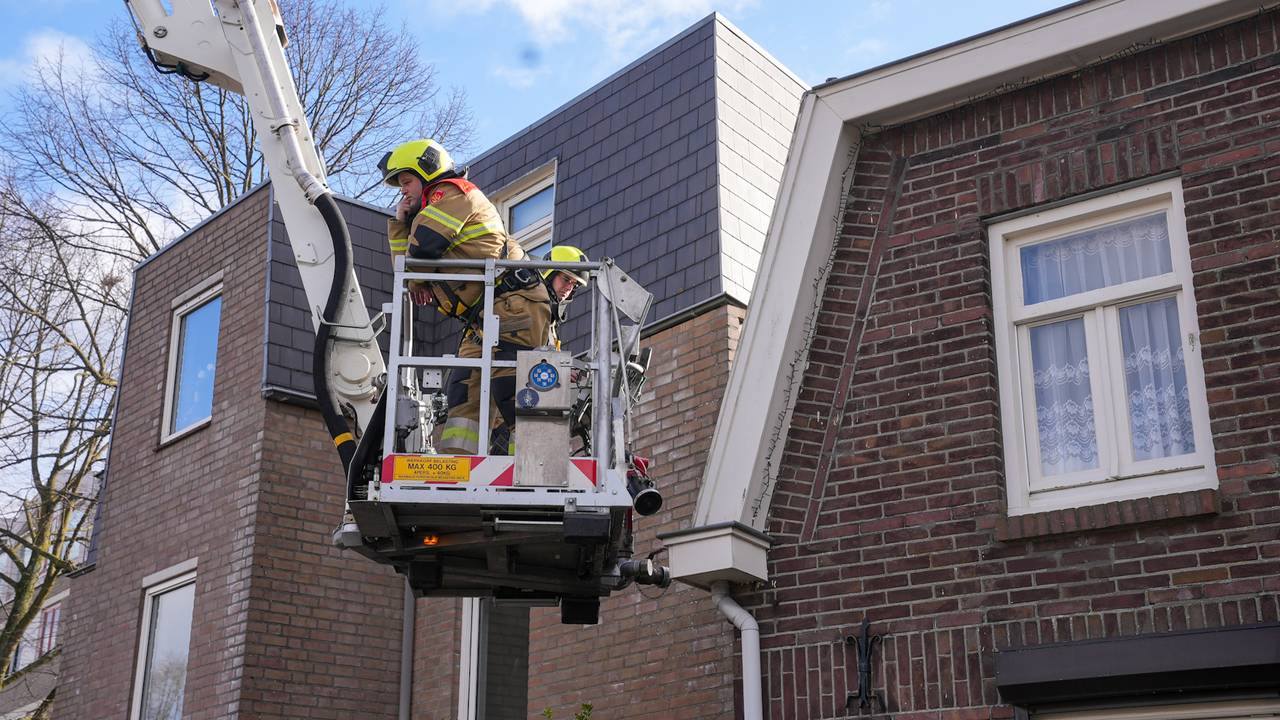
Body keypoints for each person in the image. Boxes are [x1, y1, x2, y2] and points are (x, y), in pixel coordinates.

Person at [379, 138, 551, 455]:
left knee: (510, 385)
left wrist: (417, 272)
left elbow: (423, 251)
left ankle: (536, 461)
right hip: (485, 316)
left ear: (427, 171)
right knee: (464, 389)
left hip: (515, 304)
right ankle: (458, 467)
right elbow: (407, 273)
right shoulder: (430, 210)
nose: (403, 192)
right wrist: (400, 227)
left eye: (407, 182)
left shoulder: (452, 194)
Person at [541, 245, 590, 350]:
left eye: (574, 284)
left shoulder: (550, 321)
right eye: (566, 279)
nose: (569, 288)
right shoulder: (528, 305)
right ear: (549, 274)